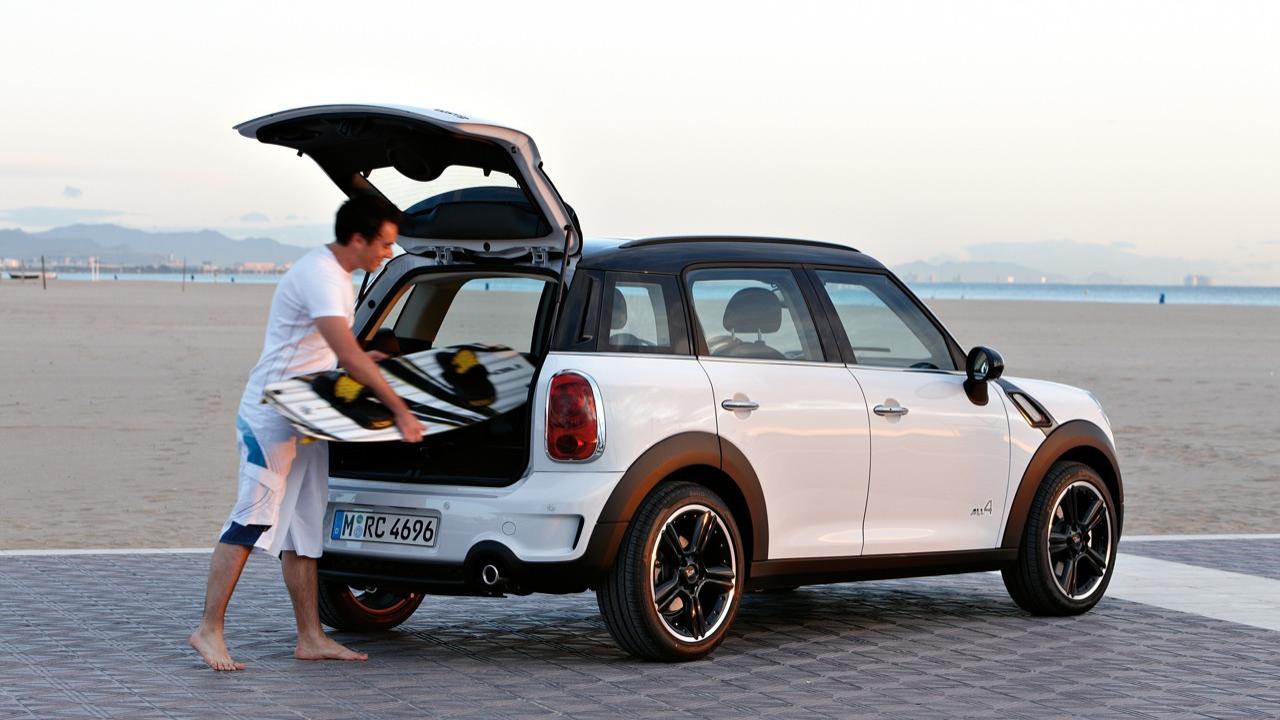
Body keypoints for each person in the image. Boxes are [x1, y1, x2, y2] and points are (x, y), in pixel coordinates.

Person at [188, 195, 425, 671]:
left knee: (304, 529)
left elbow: (327, 353)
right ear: (357, 239)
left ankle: (311, 636)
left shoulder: (337, 277)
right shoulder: (321, 275)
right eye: (384, 244)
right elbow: (348, 355)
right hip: (271, 417)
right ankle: (208, 629)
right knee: (251, 518)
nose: (388, 253)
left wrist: (367, 360)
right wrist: (399, 410)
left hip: (307, 418)